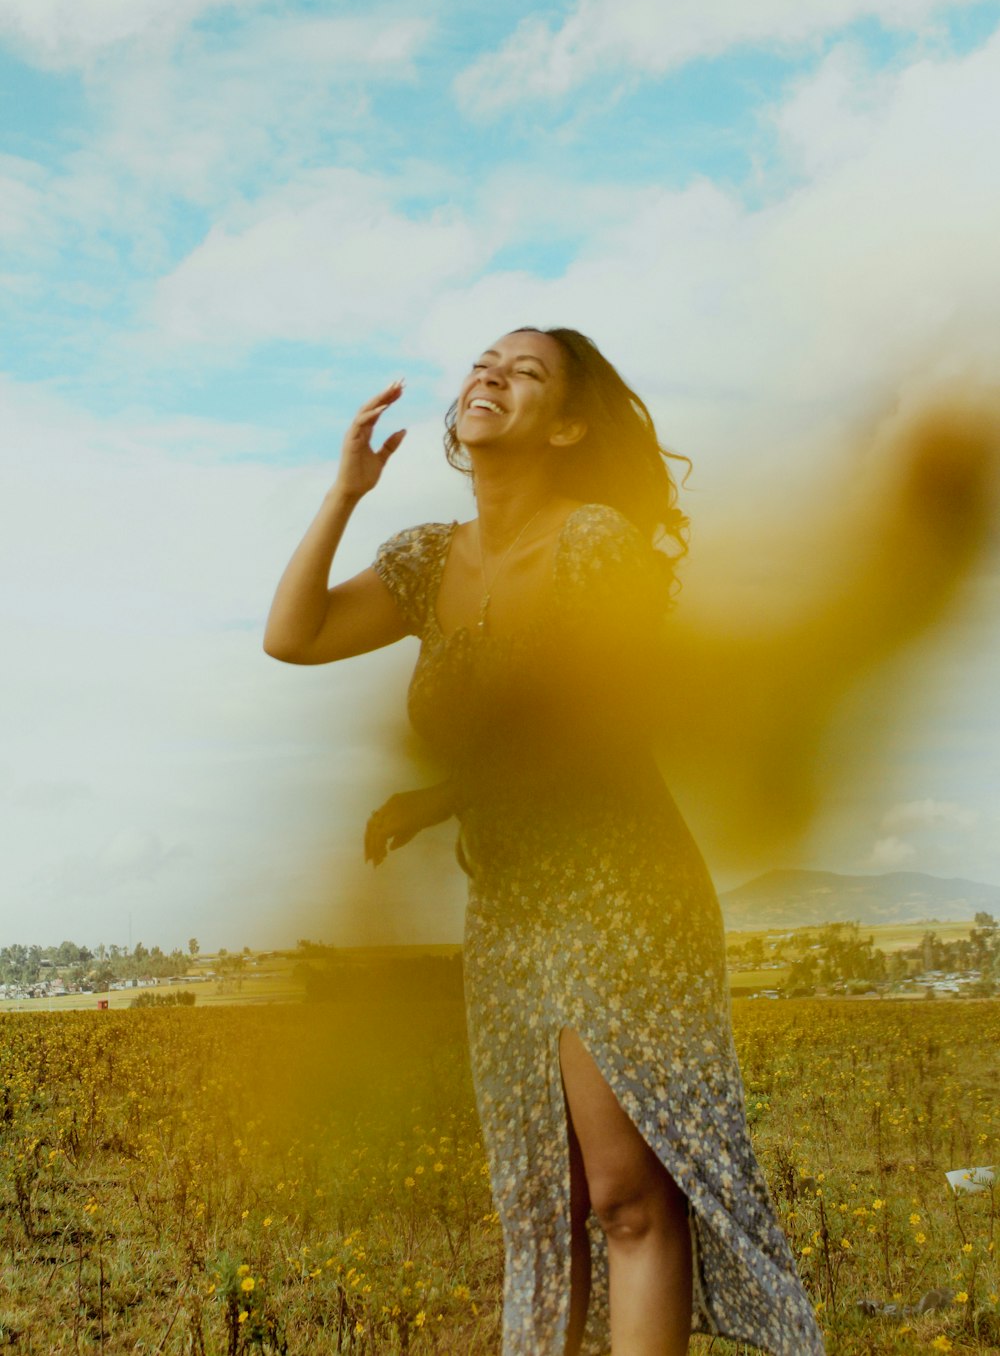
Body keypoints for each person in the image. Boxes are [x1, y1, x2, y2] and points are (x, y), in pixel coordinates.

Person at [264, 326, 826, 1356]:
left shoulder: (597, 539)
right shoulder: (431, 557)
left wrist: (443, 796)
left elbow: (596, 720)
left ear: (568, 425)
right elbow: (291, 637)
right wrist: (345, 492)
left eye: (525, 373)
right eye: (484, 362)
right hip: (510, 902)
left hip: (619, 885)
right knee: (542, 1201)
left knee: (624, 1193)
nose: (490, 376)